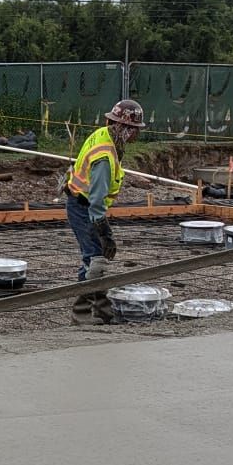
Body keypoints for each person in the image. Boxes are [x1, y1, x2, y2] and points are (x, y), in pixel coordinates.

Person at [64, 99, 145, 321]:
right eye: (134, 130)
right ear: (126, 129)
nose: (136, 135)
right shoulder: (105, 156)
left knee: (93, 258)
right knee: (94, 259)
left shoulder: (105, 135)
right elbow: (97, 199)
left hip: (80, 203)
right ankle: (81, 314)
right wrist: (104, 232)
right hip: (83, 206)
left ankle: (102, 309)